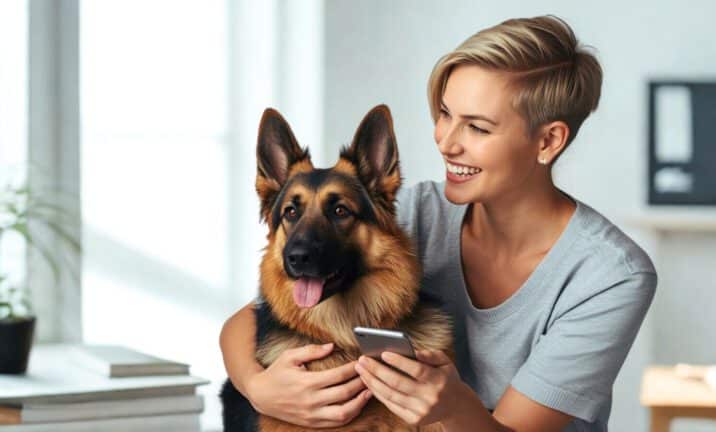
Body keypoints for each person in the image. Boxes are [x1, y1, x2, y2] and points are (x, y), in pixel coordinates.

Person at [219, 15, 657, 432]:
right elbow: (253, 319)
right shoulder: (411, 213)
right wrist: (259, 389)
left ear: (548, 140)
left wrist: (453, 406)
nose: (446, 143)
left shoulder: (610, 275)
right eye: (445, 114)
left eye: (477, 128)